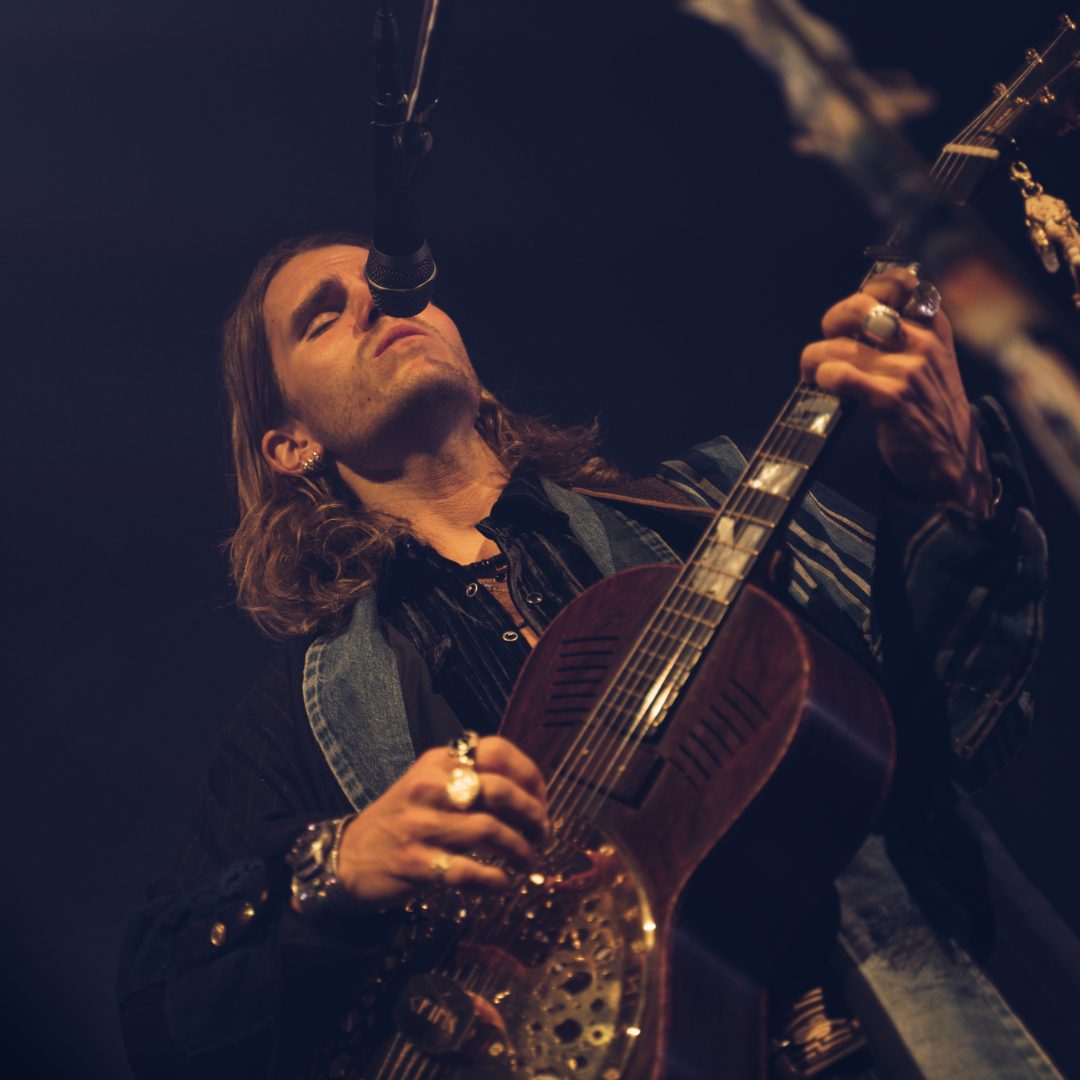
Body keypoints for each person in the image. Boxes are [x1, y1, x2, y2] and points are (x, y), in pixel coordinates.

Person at [118, 231, 1055, 1078]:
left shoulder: (715, 503)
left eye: (393, 284)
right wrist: (338, 864)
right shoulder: (298, 714)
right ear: (290, 444)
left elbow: (962, 719)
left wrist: (953, 488)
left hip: (899, 1030)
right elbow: (160, 1008)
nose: (380, 302)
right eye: (324, 315)